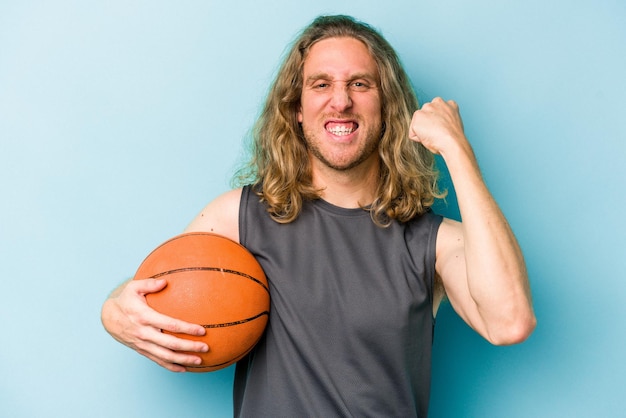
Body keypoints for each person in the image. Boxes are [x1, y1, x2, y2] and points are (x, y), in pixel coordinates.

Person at [101, 14, 536, 417]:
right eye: (321, 84)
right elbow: (159, 289)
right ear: (296, 108)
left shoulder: (432, 241)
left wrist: (458, 152)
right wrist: (116, 309)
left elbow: (510, 321)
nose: (341, 101)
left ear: (387, 109)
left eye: (361, 84)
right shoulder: (239, 215)